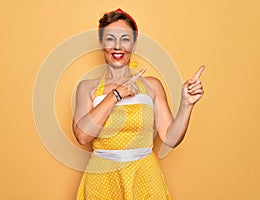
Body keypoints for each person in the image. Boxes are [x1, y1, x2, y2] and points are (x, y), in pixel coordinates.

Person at [73, 8, 205, 200]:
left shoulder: (152, 85)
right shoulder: (87, 88)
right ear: (102, 43)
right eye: (110, 38)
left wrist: (187, 104)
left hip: (144, 174)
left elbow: (170, 138)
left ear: (133, 44)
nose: (118, 46)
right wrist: (115, 95)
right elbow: (83, 136)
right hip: (102, 178)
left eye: (125, 39)